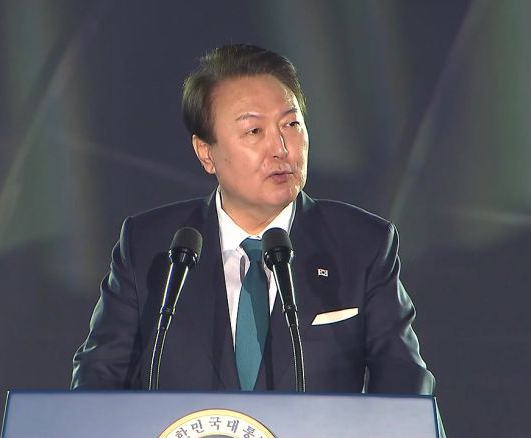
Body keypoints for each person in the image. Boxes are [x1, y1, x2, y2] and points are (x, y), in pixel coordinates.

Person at [71, 44, 435, 394]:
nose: (281, 148)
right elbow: (98, 380)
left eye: (291, 124)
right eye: (254, 131)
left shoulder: (362, 244)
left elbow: (405, 382)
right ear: (206, 152)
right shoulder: (150, 246)